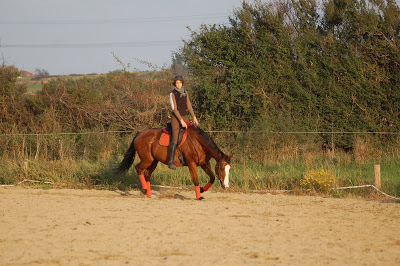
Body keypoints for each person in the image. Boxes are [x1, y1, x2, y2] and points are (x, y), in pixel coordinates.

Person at [168, 75, 199, 170]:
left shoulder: (185, 92)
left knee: (191, 134)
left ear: (182, 83)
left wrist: (194, 117)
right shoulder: (172, 94)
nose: (178, 85)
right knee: (176, 137)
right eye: (176, 83)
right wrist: (181, 121)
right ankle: (171, 161)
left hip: (185, 116)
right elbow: (174, 109)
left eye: (180, 83)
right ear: (175, 84)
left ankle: (186, 156)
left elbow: (189, 105)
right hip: (176, 118)